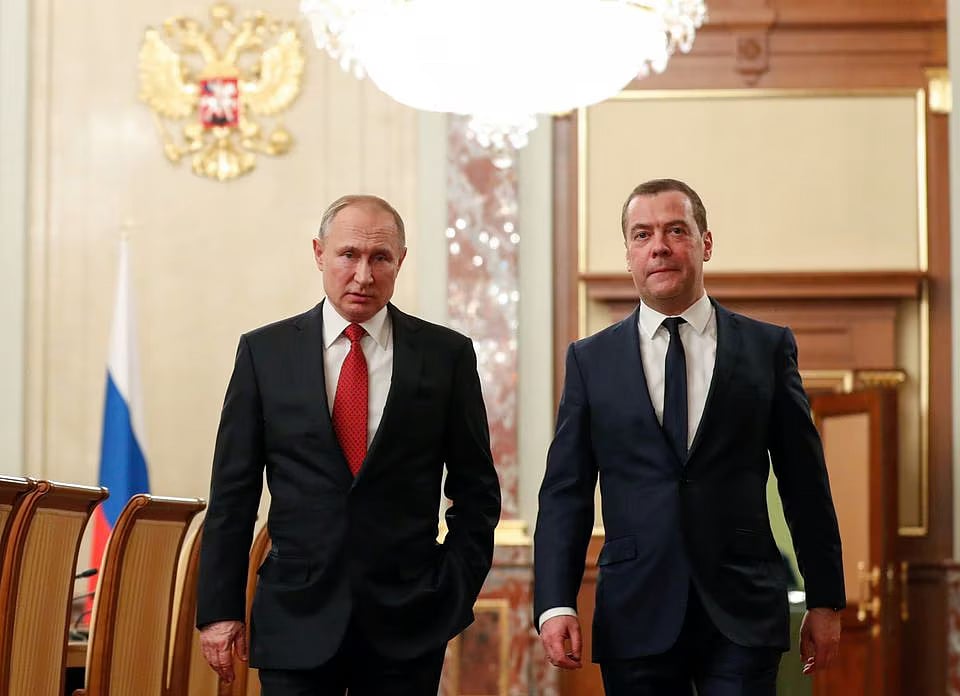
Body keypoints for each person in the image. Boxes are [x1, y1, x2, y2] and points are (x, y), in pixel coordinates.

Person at [533, 179, 844, 695]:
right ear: (629, 255)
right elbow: (565, 492)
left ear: (705, 244)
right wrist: (555, 601)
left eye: (676, 230)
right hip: (636, 608)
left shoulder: (767, 349)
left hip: (743, 609)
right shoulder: (591, 361)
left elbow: (805, 484)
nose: (659, 245)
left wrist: (825, 598)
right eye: (642, 234)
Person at [196, 194, 501, 696]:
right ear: (319, 253)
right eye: (348, 255)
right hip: (295, 617)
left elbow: (477, 491)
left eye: (380, 258)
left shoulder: (445, 355)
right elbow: (233, 494)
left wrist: (453, 588)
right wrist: (221, 611)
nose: (363, 274)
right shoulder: (264, 353)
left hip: (408, 620)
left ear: (400, 261)